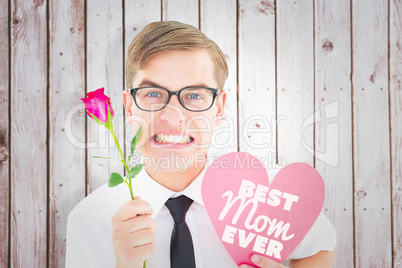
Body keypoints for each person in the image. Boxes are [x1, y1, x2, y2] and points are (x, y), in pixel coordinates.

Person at [66, 21, 336, 268]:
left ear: (218, 109)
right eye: (152, 94)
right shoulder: (89, 220)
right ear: (128, 105)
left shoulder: (268, 196)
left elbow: (320, 249)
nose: (172, 116)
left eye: (194, 95)